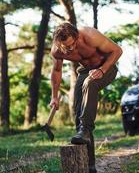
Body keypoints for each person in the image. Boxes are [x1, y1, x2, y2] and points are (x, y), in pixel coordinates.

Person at [50, 22, 122, 173]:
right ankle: (90, 167)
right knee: (79, 114)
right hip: (85, 71)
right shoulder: (57, 51)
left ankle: (85, 129)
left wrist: (102, 70)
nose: (70, 49)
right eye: (66, 47)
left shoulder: (90, 35)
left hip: (106, 67)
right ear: (58, 43)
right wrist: (54, 97)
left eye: (73, 44)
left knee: (90, 85)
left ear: (77, 36)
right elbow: (56, 71)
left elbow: (117, 50)